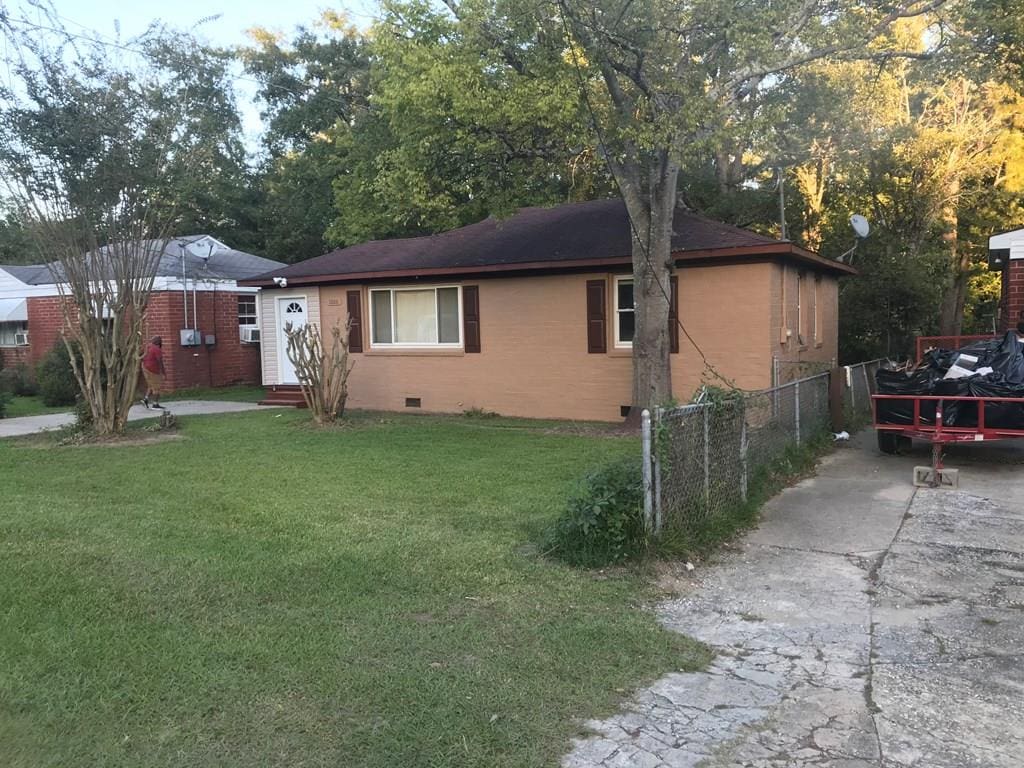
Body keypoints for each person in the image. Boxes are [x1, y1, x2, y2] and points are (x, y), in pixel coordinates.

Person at [141, 336, 166, 409]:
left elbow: (142, 356)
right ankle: (155, 404)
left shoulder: (147, 347)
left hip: (145, 368)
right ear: (159, 342)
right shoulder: (156, 349)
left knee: (151, 385)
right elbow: (160, 361)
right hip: (153, 370)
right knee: (157, 387)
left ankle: (145, 399)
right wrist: (163, 372)